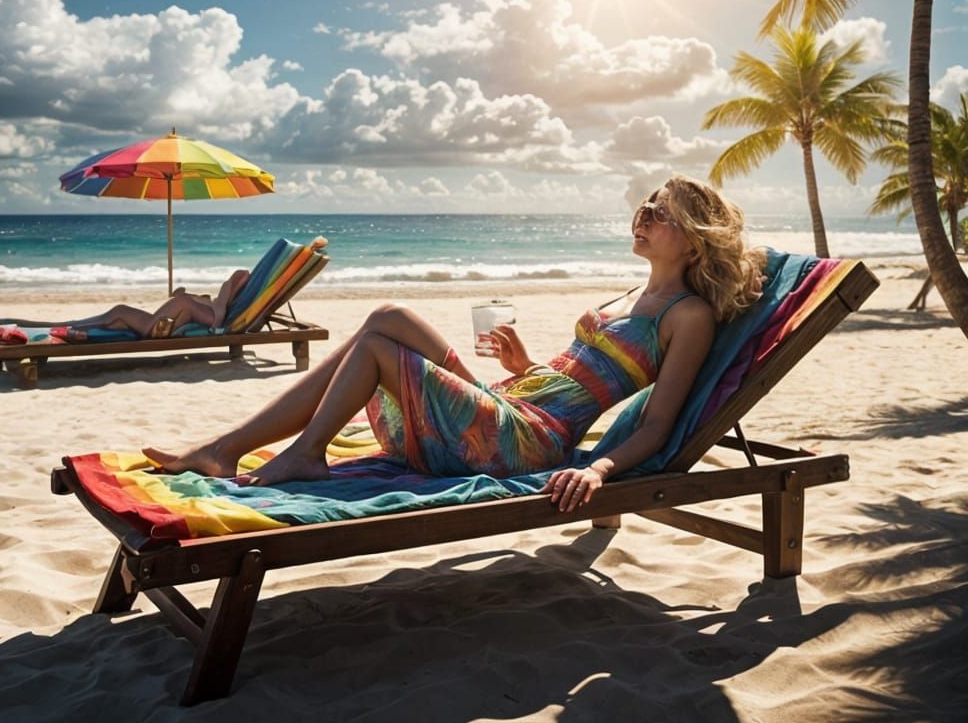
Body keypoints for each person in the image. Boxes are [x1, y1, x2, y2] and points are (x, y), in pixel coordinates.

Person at [145, 177, 766, 512]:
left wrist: (598, 467)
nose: (645, 215)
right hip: (509, 401)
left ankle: (289, 451)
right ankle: (226, 448)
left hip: (527, 441)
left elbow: (656, 423)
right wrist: (525, 364)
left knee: (382, 333)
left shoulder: (688, 318)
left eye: (662, 214)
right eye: (647, 205)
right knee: (381, 323)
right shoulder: (630, 293)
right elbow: (584, 372)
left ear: (694, 240)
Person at [0, 269, 251, 339]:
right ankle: (44, 326)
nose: (226, 283)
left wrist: (191, 301)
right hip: (154, 323)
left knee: (113, 316)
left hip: (154, 328)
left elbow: (217, 326)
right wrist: (185, 295)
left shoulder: (216, 313)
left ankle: (53, 328)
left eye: (229, 285)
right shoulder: (211, 304)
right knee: (115, 314)